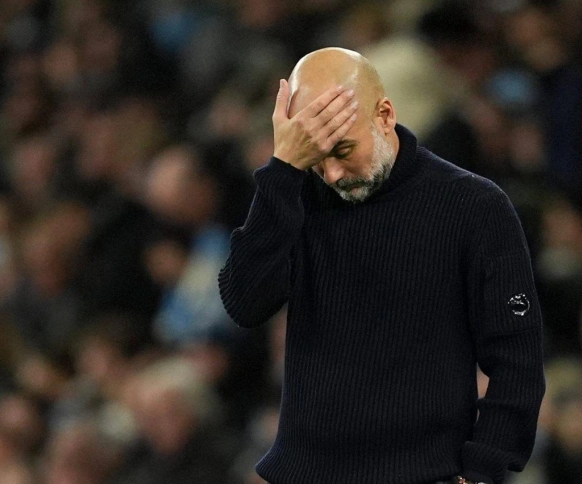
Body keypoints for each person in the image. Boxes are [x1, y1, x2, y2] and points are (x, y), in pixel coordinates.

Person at [219, 47, 545, 484]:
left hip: (425, 474)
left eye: (344, 150)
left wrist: (481, 472)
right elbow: (244, 303)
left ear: (385, 114)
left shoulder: (473, 206)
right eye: (318, 158)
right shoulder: (293, 198)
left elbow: (517, 361)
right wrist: (282, 171)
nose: (332, 174)